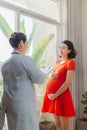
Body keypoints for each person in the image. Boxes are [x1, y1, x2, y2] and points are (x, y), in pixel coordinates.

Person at [0, 32, 45, 130]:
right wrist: (44, 72)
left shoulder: (5, 64)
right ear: (21, 43)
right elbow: (40, 79)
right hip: (24, 106)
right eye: (26, 43)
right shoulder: (25, 60)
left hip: (10, 105)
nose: (27, 46)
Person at [41, 40, 77, 130]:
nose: (60, 49)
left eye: (63, 47)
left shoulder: (70, 63)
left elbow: (68, 82)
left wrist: (55, 95)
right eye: (60, 47)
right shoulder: (57, 62)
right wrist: (50, 75)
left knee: (66, 127)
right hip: (53, 97)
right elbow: (53, 74)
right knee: (58, 124)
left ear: (69, 50)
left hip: (61, 96)